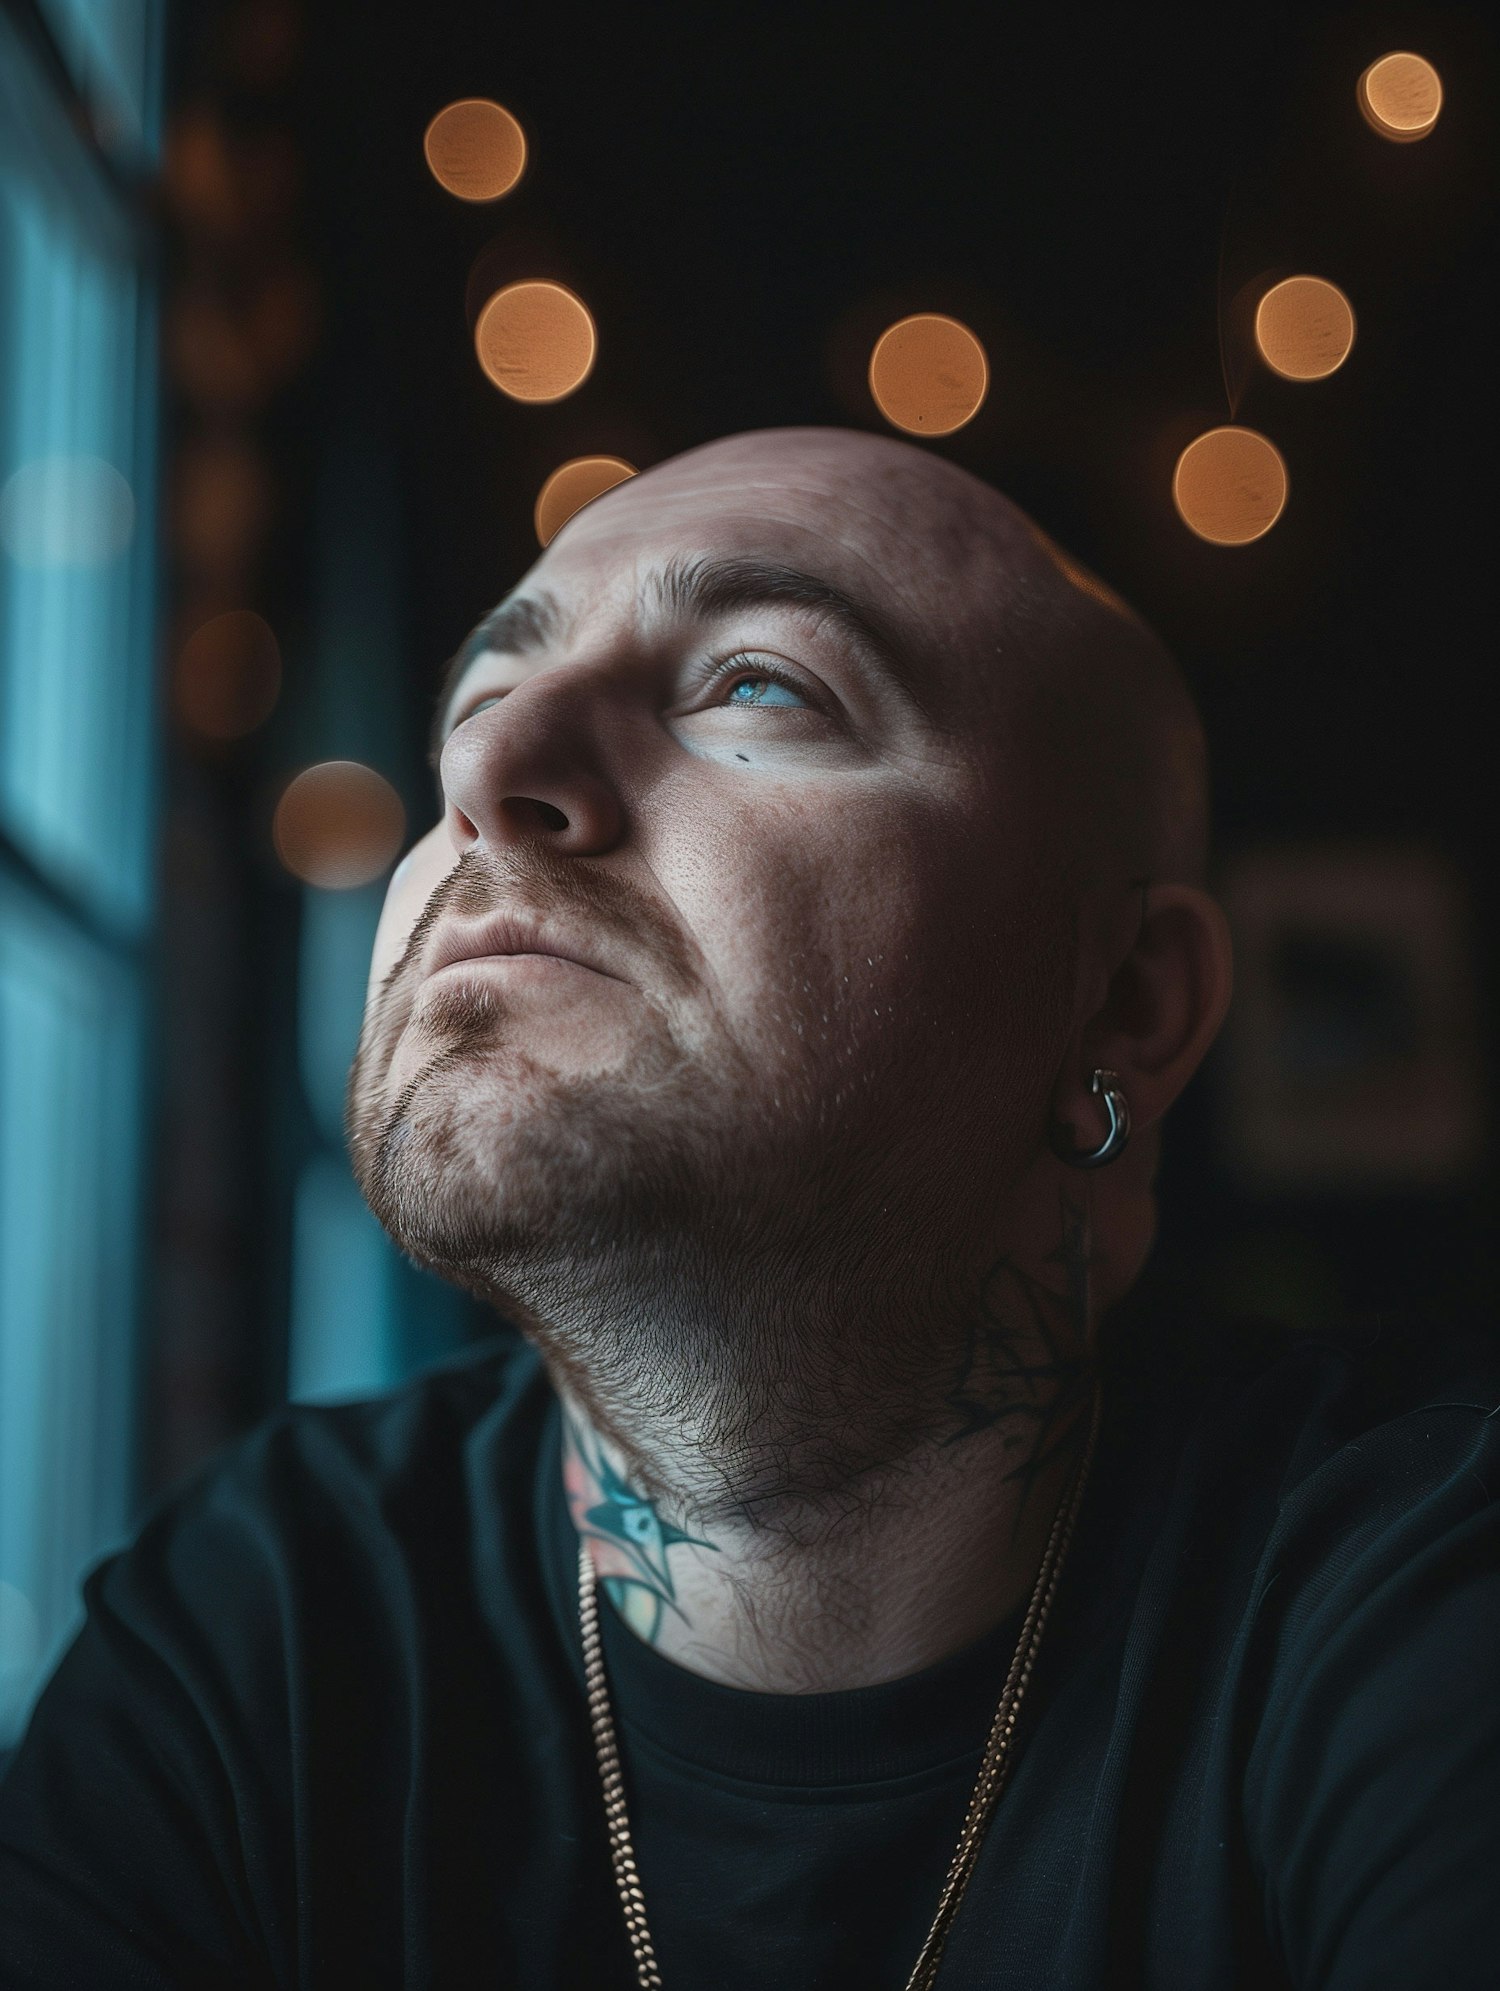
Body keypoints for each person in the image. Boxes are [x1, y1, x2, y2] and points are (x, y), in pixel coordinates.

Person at [1, 428, 1494, 1990]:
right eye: (478, 704)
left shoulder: (1412, 1589)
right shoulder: (261, 1626)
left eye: (758, 685)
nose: (485, 775)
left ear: (1118, 1004)